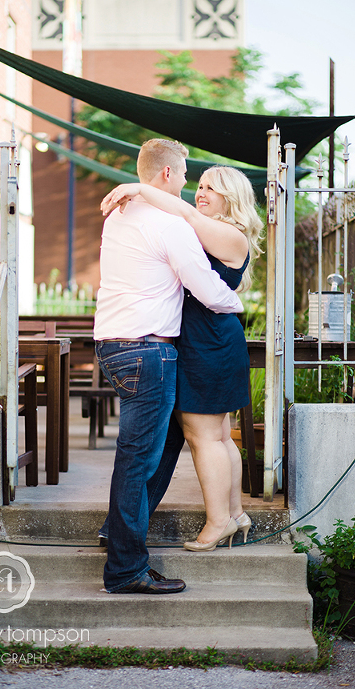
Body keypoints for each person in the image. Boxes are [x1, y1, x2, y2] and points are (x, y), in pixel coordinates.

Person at [94, 139, 244, 594]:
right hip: (150, 350)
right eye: (185, 176)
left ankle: (118, 532)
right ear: (166, 176)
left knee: (169, 440)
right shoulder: (171, 224)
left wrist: (132, 188)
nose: (189, 186)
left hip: (117, 345)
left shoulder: (119, 215)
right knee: (138, 458)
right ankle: (125, 569)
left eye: (207, 186)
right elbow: (206, 288)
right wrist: (237, 305)